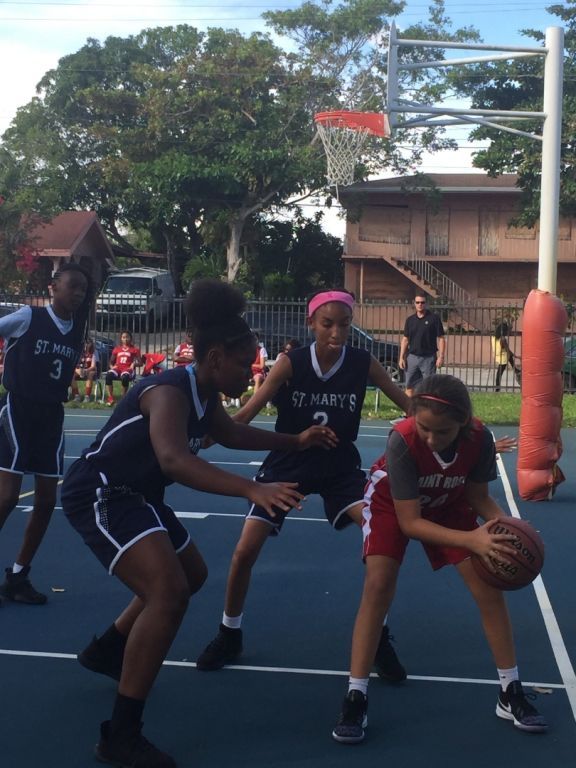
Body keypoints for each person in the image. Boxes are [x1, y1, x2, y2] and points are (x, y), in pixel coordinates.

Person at [61, 279, 335, 768]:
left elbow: (228, 432)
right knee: (169, 594)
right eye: (243, 363)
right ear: (212, 358)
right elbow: (173, 460)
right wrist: (253, 488)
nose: (252, 372)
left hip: (138, 494)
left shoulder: (204, 394)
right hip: (102, 492)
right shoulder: (168, 391)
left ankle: (108, 651)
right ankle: (120, 736)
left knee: (191, 575)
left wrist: (295, 442)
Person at [196, 289, 411, 676]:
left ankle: (378, 635)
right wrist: (203, 436)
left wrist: (461, 430)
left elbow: (410, 407)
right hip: (288, 461)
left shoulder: (362, 363)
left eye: (344, 324)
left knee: (382, 539)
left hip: (339, 467)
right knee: (245, 550)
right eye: (327, 324)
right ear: (311, 323)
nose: (336, 332)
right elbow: (247, 411)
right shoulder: (290, 363)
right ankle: (229, 632)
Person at [332, 374, 548, 744]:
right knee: (379, 584)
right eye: (425, 428)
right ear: (414, 416)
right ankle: (356, 695)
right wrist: (473, 539)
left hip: (449, 502)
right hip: (393, 504)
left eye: (443, 432)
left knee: (487, 586)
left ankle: (509, 690)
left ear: (463, 423)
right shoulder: (401, 439)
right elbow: (410, 522)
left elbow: (478, 497)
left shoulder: (480, 439)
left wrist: (505, 528)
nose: (432, 438)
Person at [0, 263, 92, 604]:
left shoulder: (76, 330)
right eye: (73, 287)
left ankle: (19, 575)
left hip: (51, 416)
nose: (78, 294)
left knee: (46, 500)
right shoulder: (28, 317)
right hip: (19, 409)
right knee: (7, 497)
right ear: (53, 287)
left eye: (83, 290)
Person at [399, 294, 445, 396]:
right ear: (414, 304)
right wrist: (401, 357)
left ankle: (426, 410)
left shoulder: (434, 319)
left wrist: (441, 357)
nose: (420, 305)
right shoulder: (410, 320)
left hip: (428, 358)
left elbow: (441, 338)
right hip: (412, 358)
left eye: (422, 302)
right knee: (409, 386)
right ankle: (409, 410)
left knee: (429, 388)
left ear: (426, 304)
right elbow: (405, 339)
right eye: (418, 302)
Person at [105, 330, 143, 406]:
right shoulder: (117, 349)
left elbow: (141, 363)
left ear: (130, 338)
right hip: (118, 368)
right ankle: (110, 397)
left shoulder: (135, 350)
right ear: (121, 339)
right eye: (123, 337)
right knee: (109, 375)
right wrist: (112, 367)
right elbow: (110, 361)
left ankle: (123, 398)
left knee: (125, 377)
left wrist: (134, 364)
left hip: (128, 368)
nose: (125, 339)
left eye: (127, 337)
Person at [492, 321, 521, 391]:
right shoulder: (503, 339)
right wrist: (516, 356)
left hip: (499, 355)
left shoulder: (494, 337)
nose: (507, 332)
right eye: (506, 330)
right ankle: (497, 388)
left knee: (510, 359)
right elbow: (508, 350)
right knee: (499, 373)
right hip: (503, 357)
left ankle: (516, 370)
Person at [70, 337, 99, 402]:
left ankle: (87, 396)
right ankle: (77, 396)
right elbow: (76, 364)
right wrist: (79, 370)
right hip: (81, 370)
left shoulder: (93, 353)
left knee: (90, 374)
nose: (86, 345)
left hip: (90, 370)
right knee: (71, 374)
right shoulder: (80, 353)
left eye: (88, 343)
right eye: (84, 343)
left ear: (91, 344)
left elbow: (93, 366)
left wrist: (86, 370)